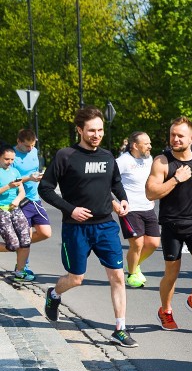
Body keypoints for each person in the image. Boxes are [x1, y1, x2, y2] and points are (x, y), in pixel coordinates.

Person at [38, 106, 138, 348]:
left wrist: (122, 199)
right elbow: (45, 189)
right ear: (79, 130)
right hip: (76, 228)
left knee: (117, 277)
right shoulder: (65, 156)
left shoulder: (107, 156)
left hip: (105, 226)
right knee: (76, 278)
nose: (96, 135)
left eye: (100, 130)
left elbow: (115, 182)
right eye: (91, 130)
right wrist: (70, 208)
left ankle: (120, 329)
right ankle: (54, 294)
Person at [146, 116, 192, 330]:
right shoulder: (162, 161)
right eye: (172, 135)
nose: (175, 139)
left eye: (180, 135)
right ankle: (165, 310)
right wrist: (175, 179)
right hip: (171, 225)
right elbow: (150, 193)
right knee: (171, 274)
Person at [115, 131, 159, 288]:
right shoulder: (123, 161)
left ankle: (133, 264)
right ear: (135, 145)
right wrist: (115, 204)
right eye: (146, 143)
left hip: (148, 206)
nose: (150, 146)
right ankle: (132, 275)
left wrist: (153, 196)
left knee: (153, 243)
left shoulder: (149, 159)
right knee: (138, 243)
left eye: (149, 143)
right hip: (130, 209)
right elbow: (107, 181)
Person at [12, 129, 50, 278]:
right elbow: (11, 182)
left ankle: (20, 247)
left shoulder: (34, 152)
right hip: (20, 200)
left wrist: (41, 176)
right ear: (19, 142)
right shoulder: (11, 157)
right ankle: (22, 267)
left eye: (33, 145)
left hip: (35, 198)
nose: (30, 149)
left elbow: (35, 170)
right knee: (25, 236)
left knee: (46, 233)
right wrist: (29, 178)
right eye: (27, 146)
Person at [0, 146, 34, 281]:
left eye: (12, 159)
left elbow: (22, 191)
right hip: (1, 210)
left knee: (26, 240)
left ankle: (19, 272)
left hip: (15, 208)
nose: (9, 162)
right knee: (13, 245)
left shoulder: (15, 171)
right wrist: (8, 186)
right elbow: (10, 186)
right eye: (6, 159)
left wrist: (17, 199)